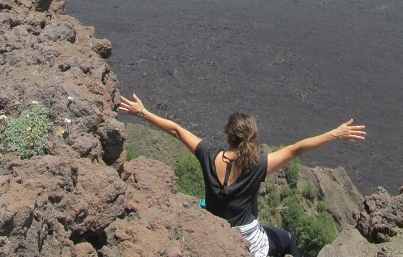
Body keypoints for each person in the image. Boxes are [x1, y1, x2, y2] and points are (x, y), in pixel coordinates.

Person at [117, 93, 366, 257]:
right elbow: (296, 149)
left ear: (228, 135)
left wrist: (143, 112)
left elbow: (177, 131)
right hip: (249, 242)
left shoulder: (208, 154)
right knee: (288, 239)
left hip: (214, 231)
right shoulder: (257, 165)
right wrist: (335, 134)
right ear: (253, 138)